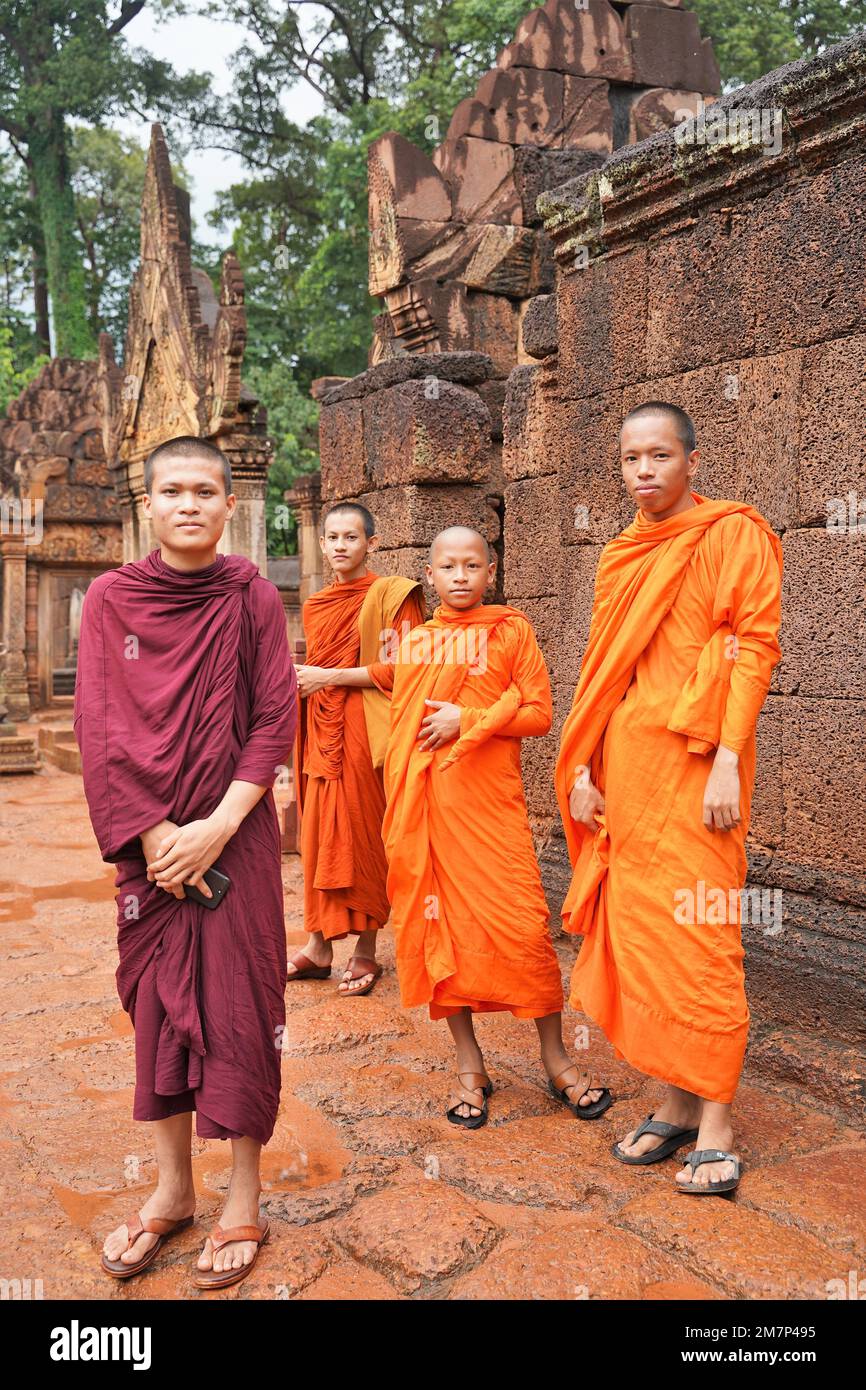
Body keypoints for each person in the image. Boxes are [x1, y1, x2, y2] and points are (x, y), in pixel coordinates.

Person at [74, 435, 296, 1288]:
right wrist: (154, 834)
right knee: (157, 1010)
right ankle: (172, 1191)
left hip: (233, 837)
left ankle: (243, 1195)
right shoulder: (110, 599)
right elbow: (101, 726)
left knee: (242, 1003)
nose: (190, 504)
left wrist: (220, 825)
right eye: (174, 490)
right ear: (150, 504)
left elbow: (273, 720)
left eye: (206, 490)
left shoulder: (251, 597)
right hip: (149, 844)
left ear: (229, 505)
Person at [555, 402, 783, 1195]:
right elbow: (600, 673)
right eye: (630, 459)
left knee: (703, 938)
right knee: (646, 936)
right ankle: (675, 1102)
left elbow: (753, 646)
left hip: (697, 770)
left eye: (659, 455)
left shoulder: (733, 534)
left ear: (691, 460)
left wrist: (727, 759)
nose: (644, 470)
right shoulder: (622, 552)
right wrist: (582, 770)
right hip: (626, 770)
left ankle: (716, 1122)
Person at [378, 526, 611, 1127]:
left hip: (492, 811)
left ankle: (555, 1058)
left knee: (523, 926)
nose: (460, 576)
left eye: (471, 565)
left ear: (491, 570)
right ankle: (468, 1064)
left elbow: (538, 713)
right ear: (429, 576)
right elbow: (404, 735)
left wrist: (471, 719)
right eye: (448, 567)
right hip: (431, 812)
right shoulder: (419, 643)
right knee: (443, 938)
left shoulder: (511, 631)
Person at [291, 502, 424, 995]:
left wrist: (329, 677)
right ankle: (319, 945)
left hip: (367, 733)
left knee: (364, 833)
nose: (342, 546)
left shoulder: (392, 598)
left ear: (373, 542)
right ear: (322, 544)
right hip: (319, 728)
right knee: (319, 831)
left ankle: (366, 952)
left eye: (352, 537)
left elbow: (404, 669)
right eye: (333, 537)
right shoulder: (316, 604)